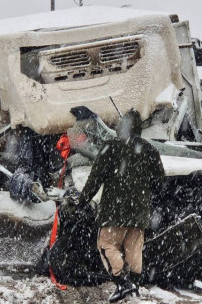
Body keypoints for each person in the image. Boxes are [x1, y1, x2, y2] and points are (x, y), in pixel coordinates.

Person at [78, 109, 164, 303]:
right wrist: (148, 203)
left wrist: (82, 201)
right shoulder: (150, 149)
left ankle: (122, 283)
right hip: (140, 212)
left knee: (106, 244)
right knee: (134, 249)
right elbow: (160, 183)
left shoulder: (111, 146)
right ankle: (134, 285)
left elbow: (94, 179)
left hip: (113, 211)